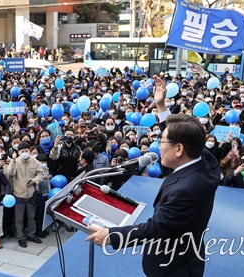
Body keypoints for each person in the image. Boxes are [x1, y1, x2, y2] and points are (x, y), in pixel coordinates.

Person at [86, 76, 221, 277]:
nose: (158, 146)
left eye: (162, 142)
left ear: (178, 149)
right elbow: (186, 135)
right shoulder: (206, 163)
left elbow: (156, 228)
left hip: (174, 268)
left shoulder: (187, 190)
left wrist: (111, 236)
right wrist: (161, 106)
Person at [5, 142, 44, 248]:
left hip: (31, 194)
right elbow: (10, 173)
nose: (24, 153)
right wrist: (12, 161)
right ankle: (20, 237)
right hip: (18, 194)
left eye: (26, 151)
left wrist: (35, 180)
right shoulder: (15, 162)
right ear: (18, 152)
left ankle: (32, 234)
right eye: (22, 151)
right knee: (19, 218)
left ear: (29, 151)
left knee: (32, 217)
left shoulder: (35, 162)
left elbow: (40, 174)